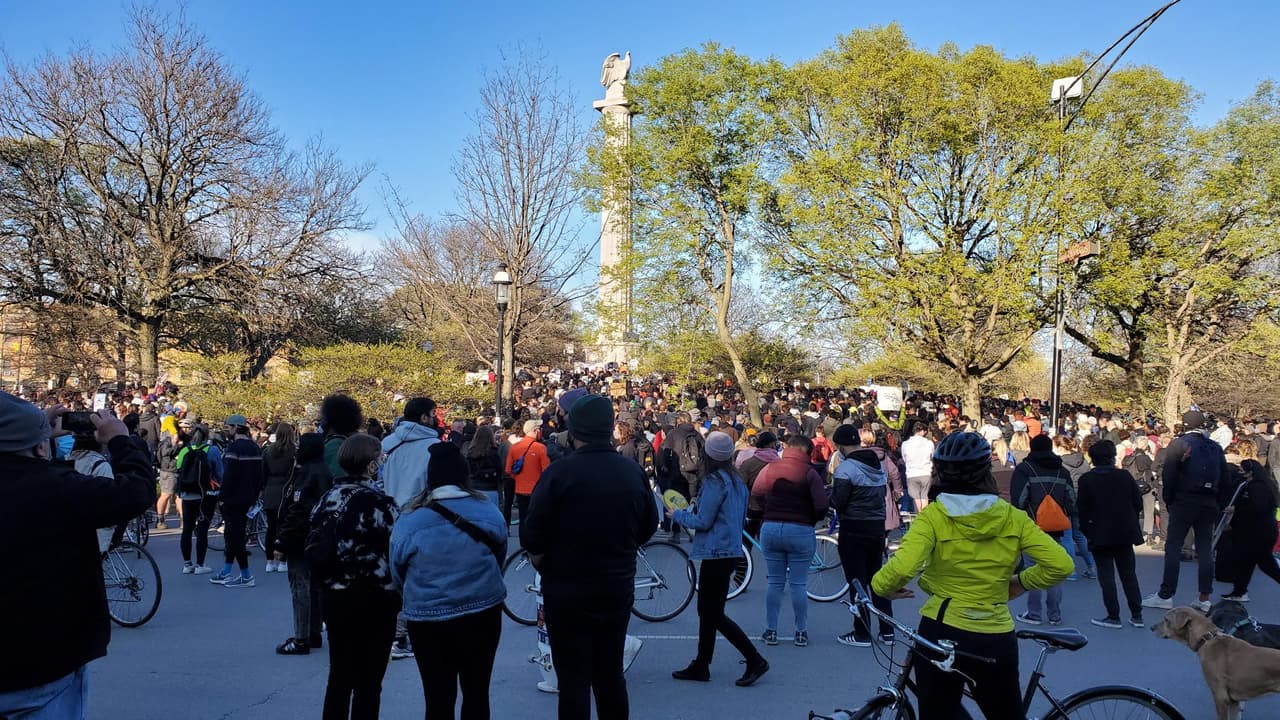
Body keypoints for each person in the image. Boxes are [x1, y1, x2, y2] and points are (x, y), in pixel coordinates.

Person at [871, 432, 1073, 720]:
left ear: (939, 471)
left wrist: (883, 587)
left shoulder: (934, 516)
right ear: (985, 470)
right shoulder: (1013, 517)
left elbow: (902, 568)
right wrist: (1021, 583)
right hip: (995, 634)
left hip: (942, 629)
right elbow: (1061, 564)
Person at [0, 400, 154, 719]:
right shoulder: (57, 488)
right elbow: (136, 492)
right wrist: (120, 439)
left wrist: (33, 430)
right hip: (45, 659)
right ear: (40, 449)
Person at [521, 394, 656, 720]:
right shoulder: (630, 472)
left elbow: (531, 534)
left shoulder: (560, 473)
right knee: (610, 675)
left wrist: (545, 560)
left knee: (573, 681)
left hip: (566, 587)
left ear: (575, 428)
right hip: (615, 583)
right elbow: (649, 525)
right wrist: (623, 547)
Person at [392, 442, 507, 720]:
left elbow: (397, 570)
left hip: (428, 616)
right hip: (482, 608)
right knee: (477, 693)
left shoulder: (410, 518)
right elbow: (499, 554)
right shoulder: (488, 510)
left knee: (437, 698)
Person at [668, 432, 770, 687]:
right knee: (709, 611)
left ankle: (754, 658)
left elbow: (703, 521)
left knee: (712, 613)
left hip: (716, 551)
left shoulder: (715, 482)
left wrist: (678, 515)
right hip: (731, 549)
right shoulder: (736, 481)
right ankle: (702, 663)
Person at [312, 434, 400, 720]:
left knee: (339, 676)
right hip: (374, 597)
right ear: (372, 465)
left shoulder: (327, 499)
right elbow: (396, 551)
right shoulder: (381, 505)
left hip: (334, 595)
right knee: (369, 682)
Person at [1143, 411, 1230, 613]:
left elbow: (1170, 473)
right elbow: (1225, 478)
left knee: (1173, 546)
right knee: (1205, 548)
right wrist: (1219, 501)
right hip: (1208, 501)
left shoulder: (1179, 444)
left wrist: (1169, 499)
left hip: (1184, 500)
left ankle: (1166, 594)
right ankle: (1204, 596)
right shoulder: (1215, 447)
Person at [751, 434, 828, 647]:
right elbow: (821, 505)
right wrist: (811, 518)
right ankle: (800, 632)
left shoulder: (770, 468)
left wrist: (767, 509)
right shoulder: (809, 473)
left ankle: (771, 630)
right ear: (808, 452)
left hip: (771, 527)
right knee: (798, 584)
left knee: (774, 582)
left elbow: (756, 492)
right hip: (801, 529)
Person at [381, 397, 443, 660]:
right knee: (417, 580)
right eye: (433, 414)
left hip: (389, 516)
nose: (436, 418)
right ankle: (404, 635)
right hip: (421, 517)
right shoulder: (433, 447)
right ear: (424, 418)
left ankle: (392, 633)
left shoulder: (388, 443)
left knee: (393, 578)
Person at [829, 425, 893, 647]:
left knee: (857, 582)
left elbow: (839, 501)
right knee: (878, 581)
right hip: (876, 528)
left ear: (840, 446)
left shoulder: (846, 469)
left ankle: (862, 632)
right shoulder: (878, 466)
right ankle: (888, 631)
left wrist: (827, 496)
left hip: (853, 529)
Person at [1076, 440, 1145, 629]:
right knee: (1128, 574)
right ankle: (1137, 614)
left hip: (1099, 532)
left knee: (1106, 576)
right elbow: (1137, 502)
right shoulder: (1124, 476)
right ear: (1113, 456)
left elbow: (1082, 508)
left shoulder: (1087, 480)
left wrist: (1087, 529)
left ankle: (1113, 615)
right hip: (1124, 531)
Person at [273, 433, 331, 655]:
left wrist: (282, 540)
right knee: (315, 587)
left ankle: (301, 638)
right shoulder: (324, 471)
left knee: (300, 587)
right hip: (319, 536)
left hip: (301, 538)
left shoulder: (306, 474)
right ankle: (314, 632)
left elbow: (299, 511)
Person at [1012, 434, 1077, 626]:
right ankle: (1054, 614)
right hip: (1055, 527)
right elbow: (1071, 499)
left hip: (1032, 526)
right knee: (1054, 568)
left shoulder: (1025, 469)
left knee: (1033, 569)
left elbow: (1019, 500)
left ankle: (1034, 613)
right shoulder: (1062, 471)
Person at [210, 415, 266, 588]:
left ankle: (246, 575)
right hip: (248, 498)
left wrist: (222, 497)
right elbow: (261, 475)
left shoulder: (233, 449)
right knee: (234, 535)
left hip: (233, 498)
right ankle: (227, 571)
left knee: (234, 537)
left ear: (235, 427)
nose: (227, 431)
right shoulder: (254, 448)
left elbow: (228, 476)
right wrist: (255, 496)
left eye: (229, 427)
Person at [1221, 441, 1280, 602]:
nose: (1240, 472)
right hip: (1257, 532)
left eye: (1242, 470)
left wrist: (1236, 509)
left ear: (1249, 472)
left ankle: (1239, 591)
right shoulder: (1260, 485)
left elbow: (1256, 508)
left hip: (1256, 533)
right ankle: (1239, 591)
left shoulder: (1257, 488)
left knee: (1263, 564)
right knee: (1246, 563)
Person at [176, 423, 222, 575]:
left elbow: (179, 469)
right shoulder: (212, 450)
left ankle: (186, 564)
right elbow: (219, 472)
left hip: (187, 494)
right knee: (202, 529)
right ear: (207, 435)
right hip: (205, 495)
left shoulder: (184, 450)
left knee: (187, 529)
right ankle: (200, 564)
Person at [262, 423, 297, 573]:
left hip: (270, 490)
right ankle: (283, 561)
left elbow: (263, 472)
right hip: (287, 491)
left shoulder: (268, 450)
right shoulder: (294, 451)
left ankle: (269, 561)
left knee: (271, 527)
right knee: (285, 527)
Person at [507, 419, 550, 527]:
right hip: (536, 490)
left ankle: (523, 542)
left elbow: (508, 470)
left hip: (520, 489)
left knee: (523, 518)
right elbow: (547, 470)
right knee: (535, 520)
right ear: (535, 431)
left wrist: (518, 478)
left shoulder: (514, 447)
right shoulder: (541, 448)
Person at [465, 424, 505, 508]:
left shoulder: (471, 452)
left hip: (474, 487)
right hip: (490, 488)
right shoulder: (493, 452)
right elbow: (499, 470)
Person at [901, 423, 934, 511]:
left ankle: (918, 517)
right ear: (922, 431)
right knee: (924, 496)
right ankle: (925, 517)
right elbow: (932, 456)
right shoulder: (929, 443)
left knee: (916, 498)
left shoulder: (905, 444)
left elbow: (904, 458)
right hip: (926, 472)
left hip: (912, 473)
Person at [155, 415, 180, 528]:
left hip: (174, 469)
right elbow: (165, 453)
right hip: (168, 470)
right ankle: (160, 520)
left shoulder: (169, 435)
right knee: (166, 494)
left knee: (179, 496)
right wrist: (176, 446)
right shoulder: (168, 439)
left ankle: (183, 520)